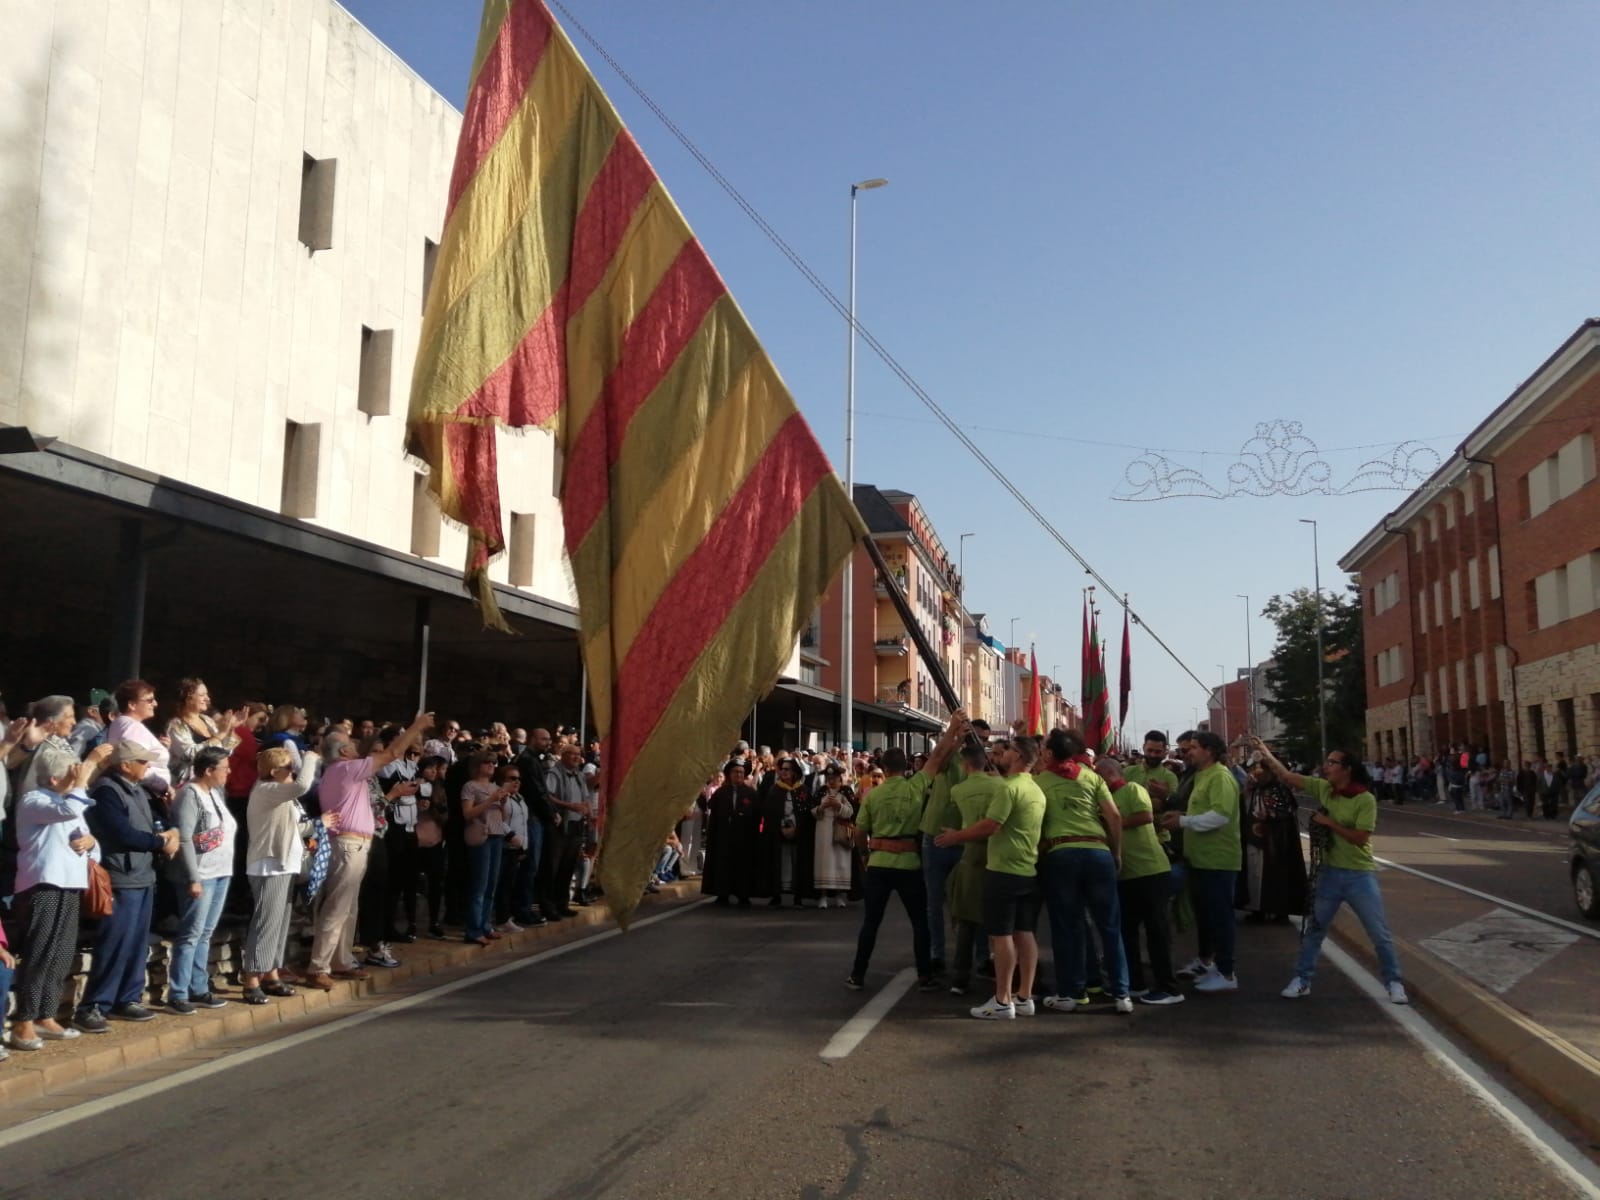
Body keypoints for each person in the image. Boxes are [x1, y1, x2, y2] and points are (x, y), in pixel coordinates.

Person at [1251, 737, 1407, 1005]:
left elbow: (1360, 837)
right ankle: (1302, 979)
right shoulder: (1325, 789)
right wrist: (1266, 753)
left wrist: (1328, 823)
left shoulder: (1364, 799)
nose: (1326, 766)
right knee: (1315, 929)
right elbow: (1288, 777)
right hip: (1329, 874)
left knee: (1378, 932)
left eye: (1332, 762)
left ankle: (1394, 982)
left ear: (1347, 769)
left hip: (1359, 875)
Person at [304, 711, 432, 990]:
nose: (355, 745)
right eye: (350, 742)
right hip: (348, 844)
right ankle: (319, 966)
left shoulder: (337, 772)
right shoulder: (346, 769)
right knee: (338, 907)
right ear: (344, 750)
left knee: (349, 907)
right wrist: (416, 726)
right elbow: (393, 753)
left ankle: (341, 959)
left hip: (354, 842)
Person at [935, 729, 1047, 1020]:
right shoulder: (1034, 787)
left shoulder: (1008, 789)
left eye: (1007, 749)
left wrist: (956, 836)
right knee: (1025, 934)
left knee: (1002, 936)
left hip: (1003, 869)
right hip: (1027, 867)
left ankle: (1002, 999)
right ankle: (1024, 996)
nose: (1001, 753)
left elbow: (990, 825)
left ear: (1018, 755)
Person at [8, 743, 111, 1049]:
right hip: (43, 884)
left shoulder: (72, 801)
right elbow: (68, 811)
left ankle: (46, 1014)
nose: (78, 776)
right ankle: (23, 1021)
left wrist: (91, 842)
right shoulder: (34, 799)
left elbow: (93, 848)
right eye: (71, 771)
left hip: (71, 883)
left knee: (62, 953)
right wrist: (89, 766)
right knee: (40, 951)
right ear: (53, 778)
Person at [848, 722, 961, 993]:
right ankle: (925, 975)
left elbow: (860, 831)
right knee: (919, 922)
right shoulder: (916, 786)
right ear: (906, 767)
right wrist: (954, 730)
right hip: (909, 863)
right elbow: (937, 756)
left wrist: (865, 856)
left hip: (879, 863)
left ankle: (857, 975)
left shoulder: (874, 795)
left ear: (884, 769)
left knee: (871, 923)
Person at [75, 742, 179, 1031]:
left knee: (136, 943)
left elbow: (152, 822)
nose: (147, 767)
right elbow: (121, 833)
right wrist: (161, 842)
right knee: (115, 942)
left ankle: (127, 998)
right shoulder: (107, 791)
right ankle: (94, 1005)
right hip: (122, 877)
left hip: (143, 876)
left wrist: (166, 830)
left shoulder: (137, 790)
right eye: (143, 762)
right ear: (125, 765)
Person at [1035, 728, 1131, 1015]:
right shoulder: (1091, 776)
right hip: (1098, 851)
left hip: (1061, 853)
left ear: (1050, 753)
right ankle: (1121, 992)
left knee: (1067, 926)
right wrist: (1116, 852)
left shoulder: (1040, 782)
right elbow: (1113, 816)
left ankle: (1071, 992)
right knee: (1110, 926)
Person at [240, 746, 330, 1003]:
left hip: (285, 864)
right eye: (288, 767)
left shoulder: (281, 795)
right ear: (273, 771)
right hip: (268, 865)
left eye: (293, 767)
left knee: (279, 924)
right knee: (266, 922)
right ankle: (251, 978)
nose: (293, 771)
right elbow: (303, 785)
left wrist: (320, 823)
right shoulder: (268, 789)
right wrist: (310, 758)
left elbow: (294, 827)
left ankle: (270, 973)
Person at [1097, 755, 1183, 1006]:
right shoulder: (1105, 799)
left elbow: (1145, 816)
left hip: (1151, 872)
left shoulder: (1132, 789)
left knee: (1157, 931)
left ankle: (1168, 986)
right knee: (1127, 931)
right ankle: (1136, 982)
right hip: (1126, 874)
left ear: (1108, 774)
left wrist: (1113, 823)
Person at [1159, 730, 1241, 993]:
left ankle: (1227, 973)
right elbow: (1202, 812)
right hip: (1201, 859)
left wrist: (1183, 822)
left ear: (1210, 751)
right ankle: (1212, 964)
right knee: (1206, 917)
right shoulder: (1203, 776)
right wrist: (1181, 815)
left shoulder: (1220, 777)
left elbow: (1219, 816)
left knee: (1221, 918)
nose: (1188, 752)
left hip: (1218, 860)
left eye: (1194, 747)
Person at [166, 745, 238, 1014]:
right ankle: (179, 992)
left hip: (220, 872)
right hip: (200, 874)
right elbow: (184, 837)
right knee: (191, 934)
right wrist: (193, 878)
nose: (228, 772)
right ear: (208, 770)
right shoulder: (190, 794)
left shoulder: (215, 793)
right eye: (224, 768)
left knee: (205, 933)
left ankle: (199, 987)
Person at [921, 718, 990, 973]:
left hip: (969, 839)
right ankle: (936, 954)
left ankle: (983, 958)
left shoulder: (988, 767)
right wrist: (955, 734)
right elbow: (937, 758)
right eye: (976, 737)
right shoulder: (953, 758)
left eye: (984, 739)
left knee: (975, 900)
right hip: (936, 836)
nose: (980, 744)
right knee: (935, 902)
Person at [940, 742, 1002, 996]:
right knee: (1001, 922)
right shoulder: (1000, 786)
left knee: (966, 921)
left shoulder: (958, 790)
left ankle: (959, 979)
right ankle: (1002, 974)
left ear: (965, 765)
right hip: (997, 853)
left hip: (970, 853)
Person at [1237, 756, 1307, 923]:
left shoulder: (1280, 790)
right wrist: (1247, 790)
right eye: (1253, 769)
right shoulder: (1254, 789)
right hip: (1254, 840)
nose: (1254, 773)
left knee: (1277, 876)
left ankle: (1280, 910)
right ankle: (1257, 909)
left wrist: (1270, 817)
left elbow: (1286, 814)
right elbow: (1242, 808)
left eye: (1258, 769)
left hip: (1275, 843)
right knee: (1254, 876)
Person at [460, 751, 513, 945]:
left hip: (496, 835)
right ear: (477, 765)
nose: (492, 765)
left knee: (492, 884)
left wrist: (503, 801)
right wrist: (491, 800)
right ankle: (473, 929)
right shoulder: (470, 786)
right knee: (479, 885)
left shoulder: (495, 787)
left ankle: (485, 924)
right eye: (487, 762)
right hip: (481, 836)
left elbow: (503, 816)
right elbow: (467, 813)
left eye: (494, 762)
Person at [164, 679, 245, 789]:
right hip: (188, 786)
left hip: (212, 784)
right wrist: (220, 735)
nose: (207, 699)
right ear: (188, 698)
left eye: (207, 695)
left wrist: (230, 729)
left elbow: (224, 753)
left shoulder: (207, 720)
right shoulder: (176, 725)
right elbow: (190, 755)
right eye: (202, 695)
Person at [702, 760, 761, 906]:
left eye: (741, 772)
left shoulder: (751, 793)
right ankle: (722, 894)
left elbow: (757, 816)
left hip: (745, 837)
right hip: (724, 836)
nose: (739, 775)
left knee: (744, 866)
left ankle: (743, 894)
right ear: (730, 774)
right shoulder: (721, 793)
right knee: (723, 865)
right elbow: (713, 814)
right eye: (736, 772)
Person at [543, 743, 590, 917]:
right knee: (553, 866)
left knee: (568, 866)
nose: (577, 757)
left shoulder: (579, 775)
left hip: (577, 825)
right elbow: (548, 796)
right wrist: (569, 806)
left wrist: (588, 812)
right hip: (561, 825)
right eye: (572, 754)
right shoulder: (554, 773)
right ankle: (548, 905)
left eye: (579, 754)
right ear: (563, 755)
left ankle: (562, 903)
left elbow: (585, 797)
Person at [810, 764, 856, 909]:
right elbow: (812, 812)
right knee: (824, 861)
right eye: (829, 778)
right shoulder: (821, 792)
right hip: (823, 829)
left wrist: (839, 806)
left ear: (839, 778)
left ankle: (839, 895)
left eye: (834, 778)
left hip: (840, 829)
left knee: (840, 861)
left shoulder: (846, 791)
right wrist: (822, 807)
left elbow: (851, 812)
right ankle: (822, 896)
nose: (831, 781)